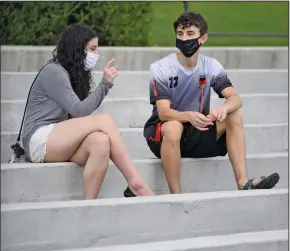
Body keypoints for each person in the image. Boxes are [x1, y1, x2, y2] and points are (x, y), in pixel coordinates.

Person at [124, 11, 280, 197]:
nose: (184, 39)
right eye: (180, 34)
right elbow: (164, 112)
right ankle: (176, 195)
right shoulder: (160, 68)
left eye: (190, 34)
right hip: (163, 135)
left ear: (203, 38)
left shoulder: (211, 66)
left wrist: (224, 107)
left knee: (233, 114)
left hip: (197, 129)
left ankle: (243, 183)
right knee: (173, 127)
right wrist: (188, 115)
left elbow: (236, 99)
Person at [22, 23, 155, 199]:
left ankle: (88, 205)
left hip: (59, 139)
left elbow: (75, 116)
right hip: (39, 139)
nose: (96, 55)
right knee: (104, 120)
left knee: (100, 142)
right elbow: (79, 111)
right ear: (77, 47)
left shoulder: (74, 75)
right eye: (92, 49)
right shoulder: (54, 71)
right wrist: (105, 84)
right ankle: (135, 182)